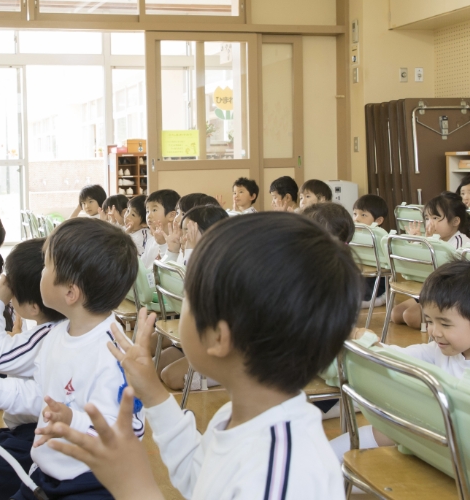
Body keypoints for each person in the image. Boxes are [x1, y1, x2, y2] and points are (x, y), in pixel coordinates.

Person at [39, 213, 358, 500]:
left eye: (188, 295)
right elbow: (197, 477)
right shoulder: (241, 415)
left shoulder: (283, 475)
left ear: (219, 337)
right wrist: (153, 393)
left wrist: (135, 489)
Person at [0, 218, 144, 500]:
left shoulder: (114, 352)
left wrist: (72, 419)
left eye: (47, 265)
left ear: (70, 292)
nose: (41, 273)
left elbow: (131, 430)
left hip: (90, 484)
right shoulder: (56, 335)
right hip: (45, 472)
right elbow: (43, 395)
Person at [331, 261, 470, 462]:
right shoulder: (438, 351)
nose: (434, 332)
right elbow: (396, 358)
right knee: (388, 429)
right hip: (434, 448)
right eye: (430, 321)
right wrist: (367, 342)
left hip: (457, 460)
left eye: (445, 324)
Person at [0, 238, 66, 500]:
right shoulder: (58, 328)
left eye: (12, 290)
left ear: (32, 306)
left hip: (35, 438)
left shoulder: (49, 335)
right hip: (28, 429)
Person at [156, 205, 229, 391]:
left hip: (224, 345)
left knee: (171, 377)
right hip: (197, 336)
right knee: (154, 367)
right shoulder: (187, 253)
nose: (184, 237)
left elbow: (195, 293)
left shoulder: (225, 261)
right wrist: (175, 251)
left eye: (188, 231)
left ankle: (232, 376)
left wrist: (193, 252)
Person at [393, 192, 470, 329]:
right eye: (427, 218)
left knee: (410, 316)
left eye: (436, 218)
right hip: (429, 290)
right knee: (396, 314)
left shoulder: (461, 242)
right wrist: (418, 241)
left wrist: (429, 241)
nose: (430, 223)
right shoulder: (432, 239)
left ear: (455, 222)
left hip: (449, 295)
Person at [141, 189, 181, 266]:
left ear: (171, 215)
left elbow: (168, 270)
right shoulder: (151, 241)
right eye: (147, 211)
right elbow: (142, 266)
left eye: (154, 210)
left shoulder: (177, 243)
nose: (148, 215)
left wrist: (162, 244)